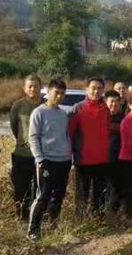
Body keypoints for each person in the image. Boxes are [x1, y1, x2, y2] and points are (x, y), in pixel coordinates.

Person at [27, 79, 72, 241]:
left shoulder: (63, 114)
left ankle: (52, 226)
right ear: (48, 92)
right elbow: (33, 138)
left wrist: (69, 156)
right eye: (56, 93)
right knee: (42, 196)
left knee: (58, 196)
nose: (59, 97)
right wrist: (40, 159)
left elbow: (66, 136)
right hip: (46, 160)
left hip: (64, 160)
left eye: (62, 94)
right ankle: (33, 230)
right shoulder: (39, 112)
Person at [69, 77, 110, 218]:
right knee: (82, 195)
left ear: (103, 90)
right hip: (83, 160)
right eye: (93, 88)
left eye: (99, 88)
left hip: (102, 160)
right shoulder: (78, 108)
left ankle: (98, 221)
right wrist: (71, 157)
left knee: (99, 195)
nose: (96, 91)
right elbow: (70, 133)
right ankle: (80, 222)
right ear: (87, 89)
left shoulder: (106, 109)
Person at [9, 75, 42, 220]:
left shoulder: (45, 105)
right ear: (24, 88)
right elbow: (14, 126)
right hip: (22, 154)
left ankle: (36, 217)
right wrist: (22, 140)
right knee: (21, 188)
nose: (33, 89)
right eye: (30, 86)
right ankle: (20, 217)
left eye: (36, 86)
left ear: (41, 88)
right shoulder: (18, 106)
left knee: (40, 189)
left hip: (41, 155)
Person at [104, 89, 125, 213]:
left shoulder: (124, 118)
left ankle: (114, 214)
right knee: (105, 187)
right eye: (111, 101)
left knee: (118, 188)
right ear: (106, 102)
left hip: (121, 159)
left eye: (117, 101)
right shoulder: (101, 117)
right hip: (103, 158)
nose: (114, 104)